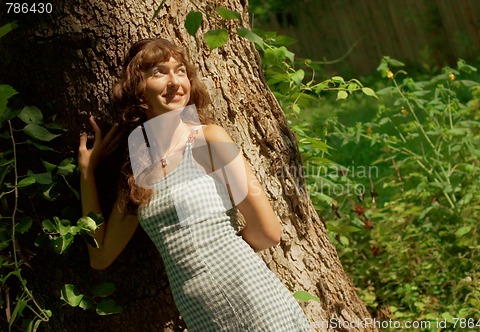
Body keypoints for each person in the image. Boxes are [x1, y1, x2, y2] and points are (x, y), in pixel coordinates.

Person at [78, 38, 311, 331]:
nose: (176, 82)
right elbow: (100, 255)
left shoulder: (209, 139)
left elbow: (267, 232)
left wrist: (214, 260)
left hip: (256, 303)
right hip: (204, 317)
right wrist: (87, 174)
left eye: (181, 71)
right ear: (138, 90)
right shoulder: (137, 174)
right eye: (159, 72)